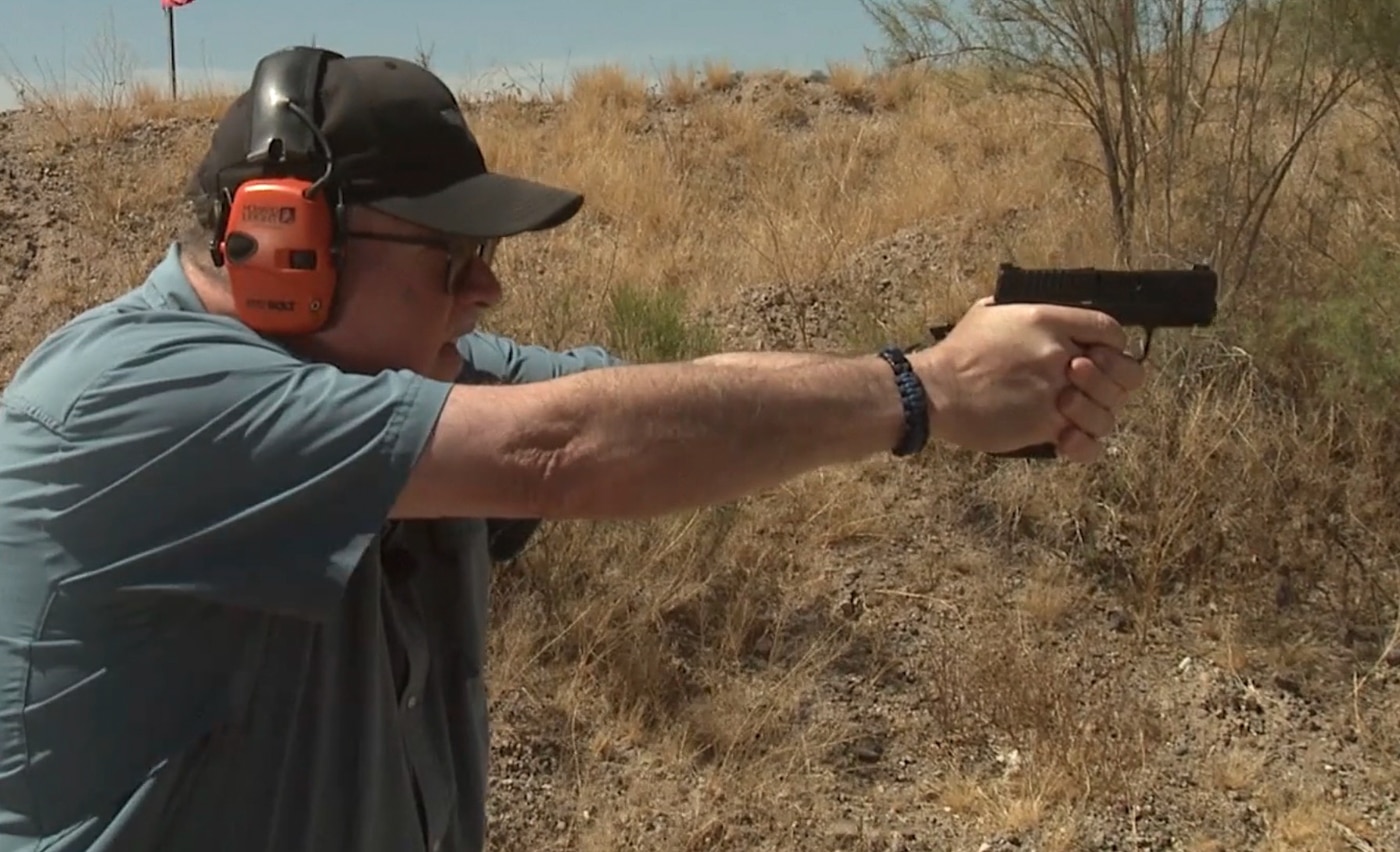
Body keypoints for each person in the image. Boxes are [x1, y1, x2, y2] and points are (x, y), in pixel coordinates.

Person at [0, 46, 1145, 852]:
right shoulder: (127, 400)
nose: (487, 291)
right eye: (451, 258)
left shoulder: (393, 373)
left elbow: (651, 398)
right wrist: (924, 394)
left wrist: (963, 369)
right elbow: (562, 447)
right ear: (284, 246)